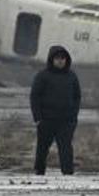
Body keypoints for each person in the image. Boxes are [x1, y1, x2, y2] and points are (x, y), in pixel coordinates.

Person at [30, 45, 81, 175]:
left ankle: (68, 173)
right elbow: (34, 96)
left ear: (66, 60)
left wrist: (73, 117)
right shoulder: (42, 76)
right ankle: (39, 172)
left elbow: (77, 97)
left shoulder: (72, 76)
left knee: (66, 148)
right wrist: (37, 118)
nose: (60, 61)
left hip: (66, 121)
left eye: (63, 58)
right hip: (46, 119)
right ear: (52, 59)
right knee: (42, 148)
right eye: (57, 58)